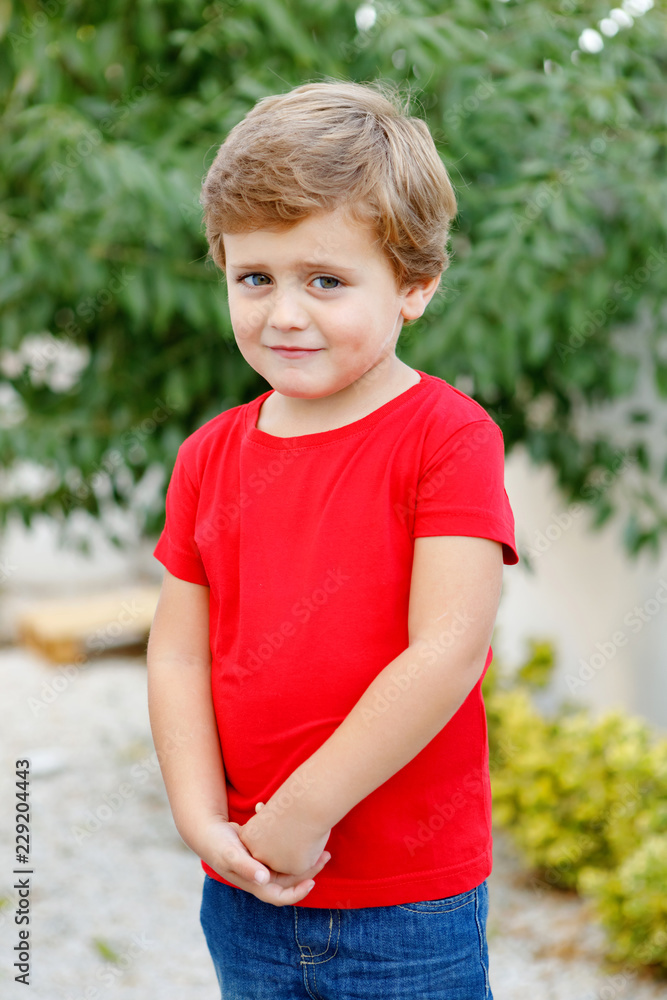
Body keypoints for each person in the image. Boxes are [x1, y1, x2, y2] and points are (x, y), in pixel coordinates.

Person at [147, 77, 519, 1000]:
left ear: (414, 286)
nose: (283, 313)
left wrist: (301, 814)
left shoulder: (447, 437)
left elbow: (446, 650)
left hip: (407, 904)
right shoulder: (208, 456)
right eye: (254, 278)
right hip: (242, 888)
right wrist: (203, 823)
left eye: (325, 280)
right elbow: (178, 657)